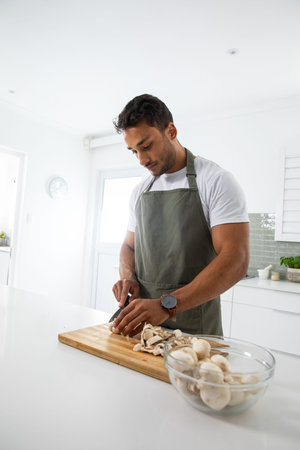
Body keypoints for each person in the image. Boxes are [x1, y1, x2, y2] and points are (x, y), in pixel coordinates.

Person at [111, 94, 249, 337]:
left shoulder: (216, 181)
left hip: (196, 331)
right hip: (144, 328)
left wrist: (167, 305)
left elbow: (235, 260)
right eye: (134, 151)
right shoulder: (140, 191)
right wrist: (127, 276)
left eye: (146, 146)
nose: (142, 160)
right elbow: (129, 247)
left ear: (171, 131)